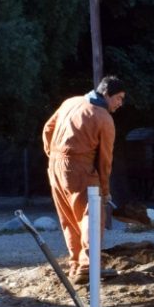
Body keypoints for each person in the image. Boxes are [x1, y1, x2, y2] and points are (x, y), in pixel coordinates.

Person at [43, 76, 126, 283]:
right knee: (92, 215)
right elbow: (105, 161)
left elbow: (47, 129)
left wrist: (53, 155)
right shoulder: (103, 118)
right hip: (79, 168)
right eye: (119, 98)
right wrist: (105, 191)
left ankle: (75, 265)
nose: (120, 103)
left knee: (69, 218)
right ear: (106, 94)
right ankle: (89, 266)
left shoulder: (70, 102)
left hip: (55, 166)